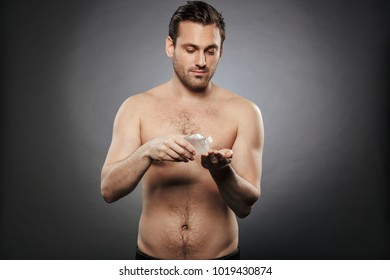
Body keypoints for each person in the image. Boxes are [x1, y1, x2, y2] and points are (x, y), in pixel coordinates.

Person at [101, 1, 264, 260]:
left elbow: (245, 207)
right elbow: (108, 190)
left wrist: (222, 172)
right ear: (170, 46)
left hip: (220, 263)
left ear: (221, 52)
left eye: (210, 51)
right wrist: (147, 151)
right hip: (152, 263)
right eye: (191, 49)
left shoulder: (245, 112)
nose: (201, 61)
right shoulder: (136, 107)